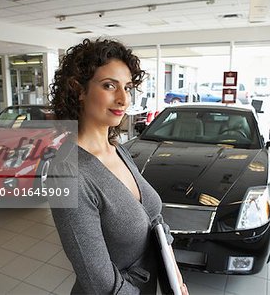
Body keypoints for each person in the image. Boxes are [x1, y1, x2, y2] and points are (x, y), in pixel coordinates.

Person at [48, 38, 188, 294]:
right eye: (109, 85)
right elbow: (99, 282)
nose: (124, 99)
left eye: (128, 87)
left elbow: (153, 218)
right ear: (78, 89)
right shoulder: (68, 173)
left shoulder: (118, 150)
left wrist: (175, 278)